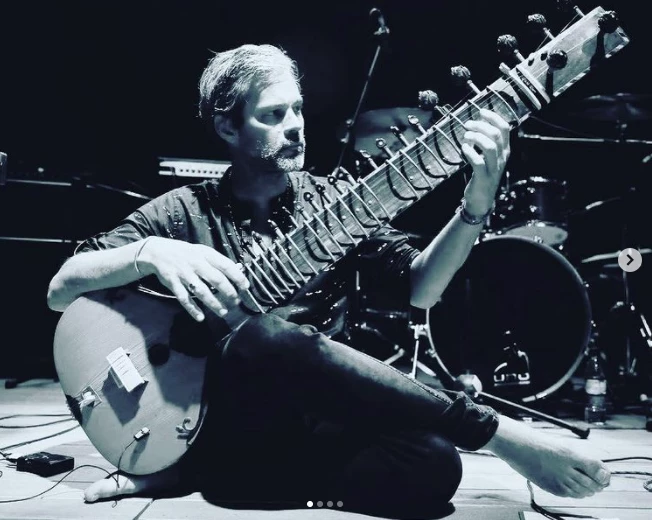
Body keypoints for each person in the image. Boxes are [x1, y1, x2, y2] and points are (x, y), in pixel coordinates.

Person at [47, 43, 610, 518]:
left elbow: (421, 289)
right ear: (227, 125)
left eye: (297, 109)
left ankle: (216, 477)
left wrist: (474, 206)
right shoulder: (181, 213)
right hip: (225, 413)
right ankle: (498, 434)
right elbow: (61, 289)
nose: (294, 126)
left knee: (434, 467)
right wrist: (148, 252)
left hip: (313, 414)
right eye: (273, 115)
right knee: (263, 335)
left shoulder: (334, 202)